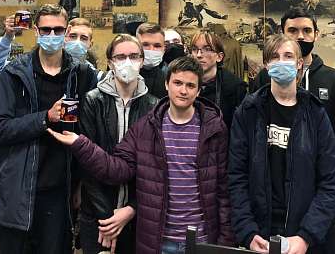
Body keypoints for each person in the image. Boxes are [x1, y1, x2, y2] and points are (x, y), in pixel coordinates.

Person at [49, 55, 233, 254]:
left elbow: (223, 189)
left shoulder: (214, 129)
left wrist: (224, 242)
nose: (183, 90)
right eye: (178, 83)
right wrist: (81, 144)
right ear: (167, 84)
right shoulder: (146, 127)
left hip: (201, 240)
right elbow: (117, 169)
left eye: (190, 85)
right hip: (159, 241)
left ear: (198, 90)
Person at [0, 4, 97, 254]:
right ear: (36, 31)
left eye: (58, 30)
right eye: (46, 30)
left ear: (66, 31)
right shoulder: (14, 72)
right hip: (18, 186)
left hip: (61, 189)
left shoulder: (82, 74)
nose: (51, 35)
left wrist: (81, 183)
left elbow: (89, 133)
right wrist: (45, 118)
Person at [251, 7, 335, 249]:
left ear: (316, 34)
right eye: (292, 30)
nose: (300, 36)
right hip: (275, 199)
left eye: (306, 30)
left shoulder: (333, 80)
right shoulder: (264, 79)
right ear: (282, 33)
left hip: (323, 196)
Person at [228, 34, 335, 254]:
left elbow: (332, 180)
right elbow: (236, 177)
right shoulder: (248, 111)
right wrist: (248, 232)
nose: (281, 62)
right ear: (266, 64)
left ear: (299, 63)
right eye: (274, 57)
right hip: (260, 233)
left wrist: (306, 236)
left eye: (288, 56)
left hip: (303, 236)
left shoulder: (315, 113)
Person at [78, 34, 159, 254]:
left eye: (134, 56)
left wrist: (131, 209)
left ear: (142, 60)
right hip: (97, 215)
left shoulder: (154, 107)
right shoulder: (92, 101)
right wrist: (108, 219)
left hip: (138, 218)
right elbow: (87, 164)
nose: (127, 62)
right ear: (110, 62)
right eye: (120, 57)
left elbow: (153, 169)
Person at [189, 30, 246, 130]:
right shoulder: (183, 82)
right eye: (195, 49)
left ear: (219, 57)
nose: (199, 55)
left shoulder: (234, 87)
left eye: (207, 49)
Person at [136, 23, 169, 99]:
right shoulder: (124, 77)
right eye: (145, 45)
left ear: (164, 49)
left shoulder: (169, 80)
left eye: (157, 46)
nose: (151, 50)